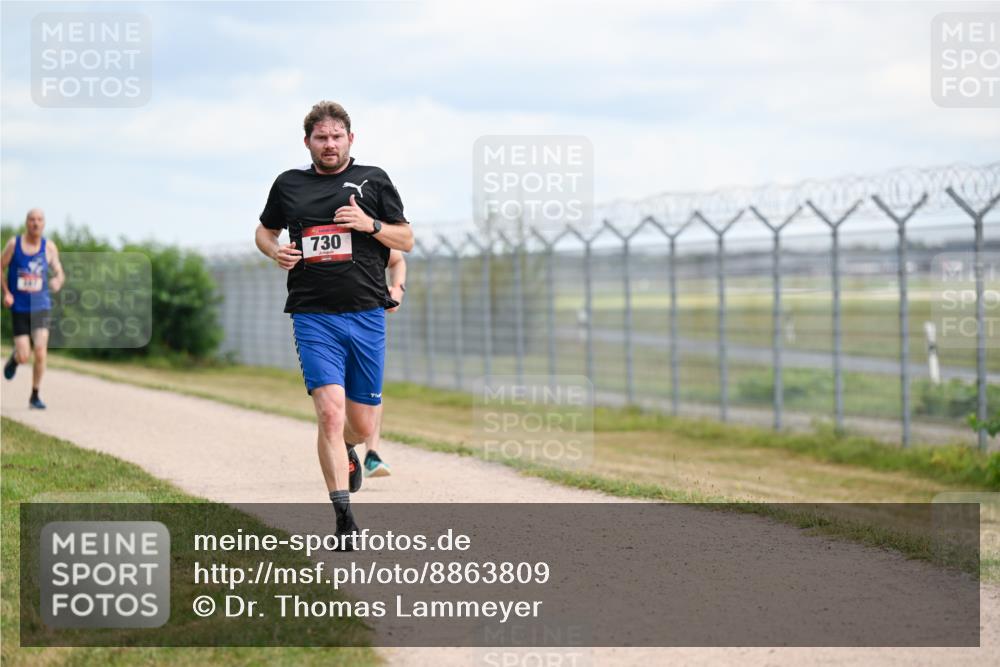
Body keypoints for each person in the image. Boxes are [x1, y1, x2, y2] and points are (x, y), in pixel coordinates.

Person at [254, 101, 413, 550]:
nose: (329, 144)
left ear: (350, 139)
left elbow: (407, 239)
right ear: (308, 142)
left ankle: (349, 450)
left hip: (366, 315)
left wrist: (369, 223)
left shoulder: (374, 180)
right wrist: (275, 251)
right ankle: (344, 518)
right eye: (320, 138)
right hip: (312, 315)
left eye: (336, 137)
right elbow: (264, 232)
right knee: (329, 413)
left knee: (360, 427)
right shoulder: (289, 185)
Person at [2, 208, 64, 408]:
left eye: (39, 220)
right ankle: (15, 357)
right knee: (24, 355)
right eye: (32, 220)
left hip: (40, 306)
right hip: (19, 307)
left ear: (44, 224)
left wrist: (58, 281)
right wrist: (6, 292)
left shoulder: (49, 248)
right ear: (26, 222)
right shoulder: (14, 244)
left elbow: (59, 271)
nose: (35, 223)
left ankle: (34, 395)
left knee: (40, 350)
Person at [363, 248, 407, 478]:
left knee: (371, 389)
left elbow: (397, 259)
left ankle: (372, 453)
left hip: (369, 320)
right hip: (325, 320)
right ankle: (344, 447)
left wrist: (397, 290)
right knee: (334, 396)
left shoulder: (369, 227)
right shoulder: (313, 221)